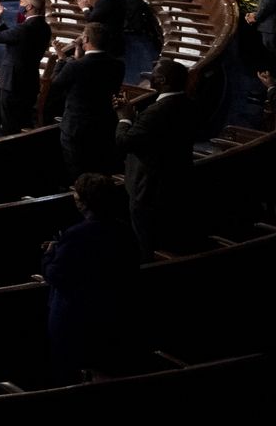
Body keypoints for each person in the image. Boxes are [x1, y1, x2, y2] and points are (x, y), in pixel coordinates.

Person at [43, 172, 138, 383]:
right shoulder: (124, 231)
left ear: (84, 203)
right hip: (116, 313)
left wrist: (50, 253)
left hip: (74, 320)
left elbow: (54, 274)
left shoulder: (75, 236)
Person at [115, 59, 200, 259]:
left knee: (146, 240)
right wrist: (137, 120)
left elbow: (125, 141)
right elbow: (158, 136)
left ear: (162, 80)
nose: (149, 76)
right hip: (175, 179)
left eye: (154, 74)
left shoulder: (157, 111)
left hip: (149, 188)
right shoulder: (188, 104)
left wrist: (124, 118)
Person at [45, 22, 125, 179]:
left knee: (78, 174)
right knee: (99, 170)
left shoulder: (75, 67)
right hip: (104, 127)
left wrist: (62, 61)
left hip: (76, 130)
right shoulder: (118, 65)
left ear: (86, 39)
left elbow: (55, 85)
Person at [0, 0, 51, 132]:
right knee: (22, 120)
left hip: (13, 84)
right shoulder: (44, 27)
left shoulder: (25, 28)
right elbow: (12, 37)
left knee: (9, 124)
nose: (19, 5)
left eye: (22, 2)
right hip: (29, 81)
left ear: (29, 7)